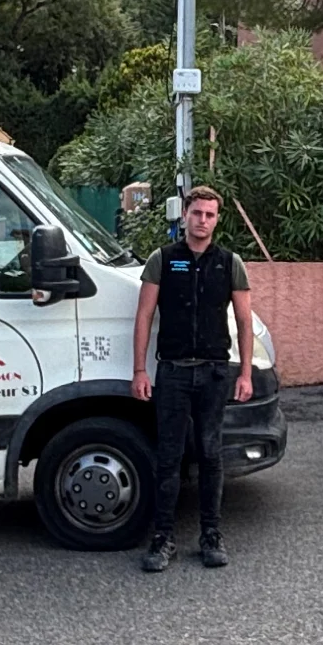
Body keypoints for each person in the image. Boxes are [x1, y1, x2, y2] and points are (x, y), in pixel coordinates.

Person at [132, 185, 256, 572]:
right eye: (197, 213)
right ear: (184, 215)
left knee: (210, 455)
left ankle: (211, 534)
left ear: (217, 219)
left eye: (210, 215)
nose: (203, 220)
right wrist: (139, 370)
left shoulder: (229, 262)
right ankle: (162, 537)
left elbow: (244, 321)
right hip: (172, 372)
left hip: (215, 372)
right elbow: (144, 316)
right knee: (168, 457)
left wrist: (246, 372)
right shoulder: (163, 260)